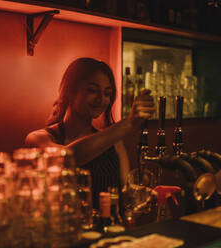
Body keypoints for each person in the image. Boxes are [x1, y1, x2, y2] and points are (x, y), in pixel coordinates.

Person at [25, 57, 156, 209]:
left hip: (108, 230)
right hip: (64, 230)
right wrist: (129, 122)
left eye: (107, 93)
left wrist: (139, 196)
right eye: (92, 90)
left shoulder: (114, 143)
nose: (101, 99)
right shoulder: (38, 138)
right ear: (70, 92)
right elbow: (66, 158)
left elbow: (125, 196)